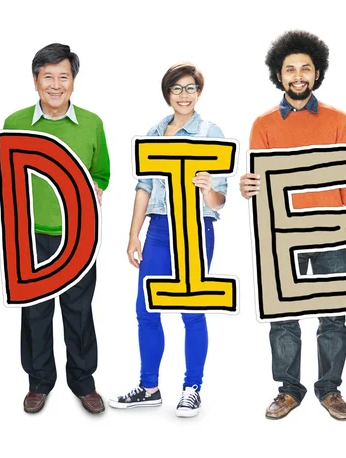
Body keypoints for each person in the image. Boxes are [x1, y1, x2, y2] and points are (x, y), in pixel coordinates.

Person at [239, 31, 346, 421]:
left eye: (305, 68)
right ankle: (288, 390)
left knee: (333, 314)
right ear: (278, 75)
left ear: (317, 73)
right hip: (282, 233)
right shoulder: (262, 124)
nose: (298, 75)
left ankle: (330, 389)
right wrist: (248, 186)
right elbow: (259, 180)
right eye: (290, 69)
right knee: (283, 314)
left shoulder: (337, 119)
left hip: (330, 229)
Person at [0, 43, 110, 414]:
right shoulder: (15, 122)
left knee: (78, 310)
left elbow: (102, 169)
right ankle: (39, 381)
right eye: (48, 77)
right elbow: (1, 167)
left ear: (73, 81)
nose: (56, 85)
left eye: (64, 76)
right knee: (36, 311)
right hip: (28, 236)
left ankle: (83, 381)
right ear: (35, 81)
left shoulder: (92, 123)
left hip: (78, 235)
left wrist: (97, 187)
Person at [109, 62, 227, 417]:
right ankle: (149, 387)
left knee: (192, 310)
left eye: (190, 88)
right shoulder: (155, 132)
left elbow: (220, 200)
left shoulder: (210, 132)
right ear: (167, 94)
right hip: (159, 230)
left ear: (199, 93)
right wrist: (134, 235)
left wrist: (207, 190)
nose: (184, 95)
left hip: (195, 228)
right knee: (146, 310)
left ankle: (192, 388)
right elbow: (144, 187)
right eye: (177, 89)